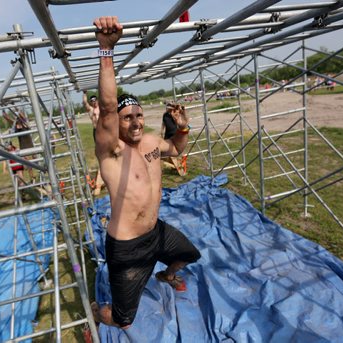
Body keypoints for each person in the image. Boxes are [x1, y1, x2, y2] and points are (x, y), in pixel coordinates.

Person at [90, 16, 201, 329]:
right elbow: (109, 107)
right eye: (128, 118)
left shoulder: (152, 141)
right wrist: (106, 51)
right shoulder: (112, 152)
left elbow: (177, 149)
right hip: (127, 248)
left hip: (157, 232)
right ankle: (97, 312)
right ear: (116, 123)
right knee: (123, 319)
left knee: (190, 255)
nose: (136, 122)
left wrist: (182, 127)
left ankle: (166, 274)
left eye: (139, 115)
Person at [82, 91, 105, 196]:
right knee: (101, 153)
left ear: (97, 101)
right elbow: (84, 103)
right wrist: (84, 94)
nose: (94, 102)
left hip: (104, 130)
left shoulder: (102, 108)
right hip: (96, 131)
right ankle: (101, 175)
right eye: (92, 101)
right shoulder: (91, 110)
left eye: (95, 100)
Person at [3, 107, 35, 180]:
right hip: (23, 147)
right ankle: (32, 177)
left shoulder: (25, 124)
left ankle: (37, 173)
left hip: (30, 145)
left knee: (35, 160)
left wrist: (17, 109)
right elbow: (8, 119)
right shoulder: (16, 126)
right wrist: (4, 112)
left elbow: (23, 117)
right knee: (28, 164)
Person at [160, 103, 186, 176]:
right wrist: (161, 131)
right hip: (167, 134)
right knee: (166, 153)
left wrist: (175, 112)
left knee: (174, 152)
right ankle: (173, 167)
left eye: (170, 107)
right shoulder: (165, 115)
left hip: (174, 134)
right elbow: (163, 123)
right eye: (167, 107)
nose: (168, 108)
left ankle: (180, 167)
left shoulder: (174, 113)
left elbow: (179, 122)